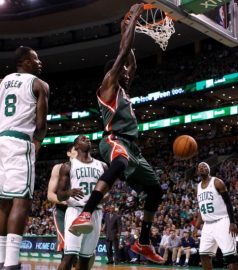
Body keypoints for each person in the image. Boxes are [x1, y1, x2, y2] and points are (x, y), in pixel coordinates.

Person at [69, 3, 164, 264]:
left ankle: (144, 242)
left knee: (155, 190)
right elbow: (123, 53)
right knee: (120, 162)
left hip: (133, 147)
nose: (127, 71)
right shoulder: (108, 86)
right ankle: (85, 213)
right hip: (113, 140)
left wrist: (126, 29)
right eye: (122, 69)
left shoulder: (124, 89)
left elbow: (129, 58)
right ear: (112, 73)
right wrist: (133, 19)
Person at [0, 46, 49, 270]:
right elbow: (41, 124)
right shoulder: (38, 84)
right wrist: (37, 144)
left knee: (3, 203)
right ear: (25, 62)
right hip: (18, 142)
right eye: (35, 58)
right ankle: (13, 264)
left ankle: (2, 262)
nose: (39, 62)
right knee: (21, 201)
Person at [57, 135, 107, 270]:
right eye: (82, 138)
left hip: (94, 213)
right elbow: (60, 195)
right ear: (76, 146)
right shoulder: (68, 166)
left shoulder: (102, 166)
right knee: (69, 257)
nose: (87, 139)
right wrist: (69, 192)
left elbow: (108, 194)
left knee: (85, 259)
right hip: (76, 211)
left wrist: (102, 197)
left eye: (88, 139)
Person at [195, 162, 238, 270]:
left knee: (230, 257)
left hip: (222, 221)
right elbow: (201, 208)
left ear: (209, 169)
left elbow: (228, 203)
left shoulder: (217, 182)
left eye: (204, 166)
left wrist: (232, 222)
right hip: (207, 225)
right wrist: (196, 226)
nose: (202, 168)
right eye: (200, 167)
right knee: (204, 255)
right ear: (197, 171)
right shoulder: (198, 187)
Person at [47, 144, 77, 252]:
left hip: (79, 210)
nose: (79, 152)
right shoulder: (58, 168)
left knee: (79, 248)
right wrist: (67, 202)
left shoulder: (88, 169)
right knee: (66, 246)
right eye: (76, 149)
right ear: (69, 153)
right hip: (62, 211)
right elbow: (50, 195)